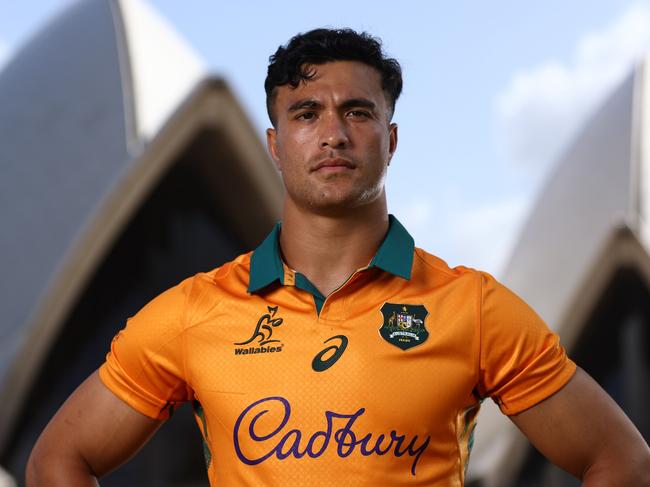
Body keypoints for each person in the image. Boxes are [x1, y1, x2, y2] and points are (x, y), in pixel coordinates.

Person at [27, 28, 649, 486]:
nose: (334, 133)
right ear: (274, 144)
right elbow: (58, 459)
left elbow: (621, 458)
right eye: (306, 113)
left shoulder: (472, 307)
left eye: (358, 111)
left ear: (391, 138)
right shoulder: (196, 310)